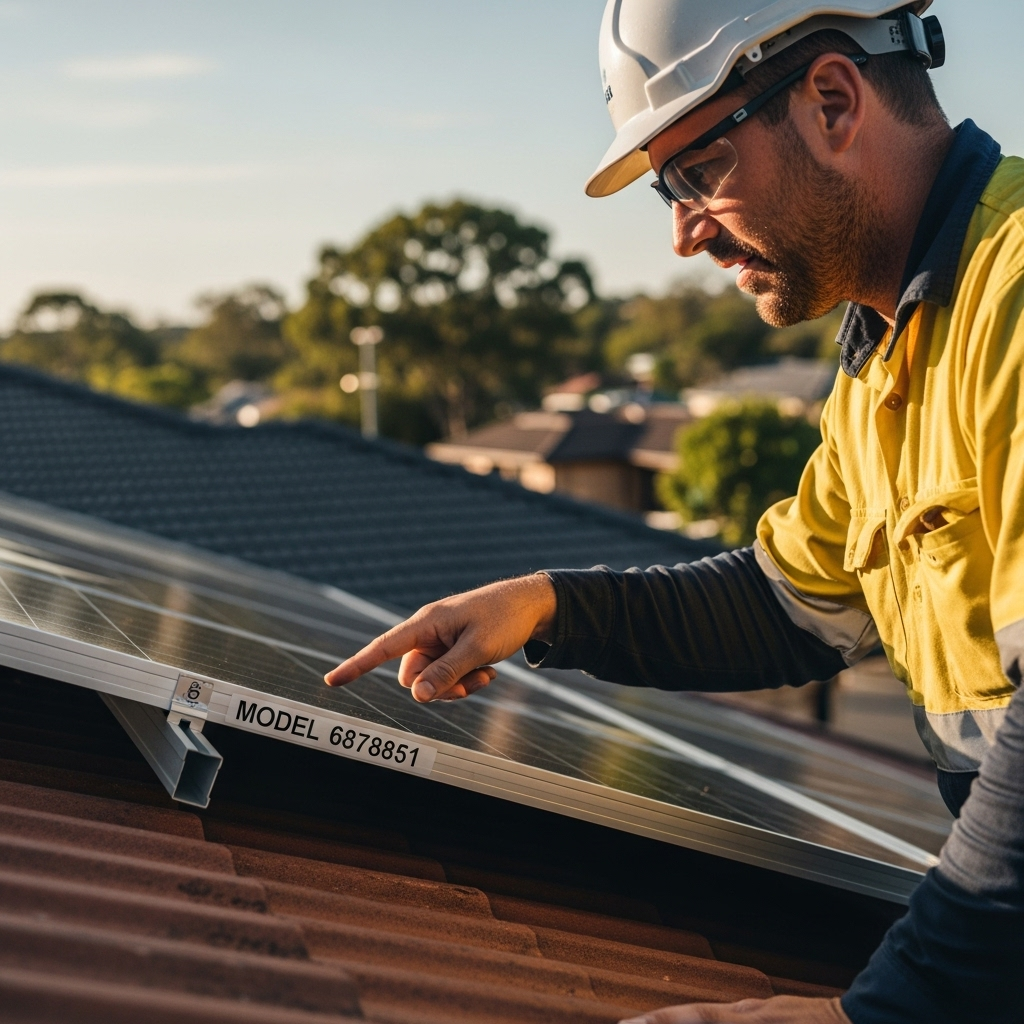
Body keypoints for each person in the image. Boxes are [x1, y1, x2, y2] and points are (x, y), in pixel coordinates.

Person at [325, 3, 1024, 1021]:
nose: (684, 234)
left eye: (699, 171)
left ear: (833, 100)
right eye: (667, 189)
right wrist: (549, 607)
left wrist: (883, 1012)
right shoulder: (891, 356)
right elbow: (789, 605)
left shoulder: (1013, 296)